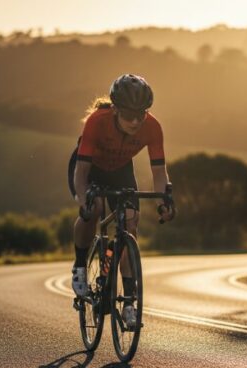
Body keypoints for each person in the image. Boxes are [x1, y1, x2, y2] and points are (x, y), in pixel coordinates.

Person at [67, 73, 175, 328]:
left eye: (142, 114)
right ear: (115, 109)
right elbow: (81, 173)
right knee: (93, 210)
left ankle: (129, 303)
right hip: (89, 168)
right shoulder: (97, 122)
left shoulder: (153, 127)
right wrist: (83, 202)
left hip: (120, 171)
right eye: (129, 115)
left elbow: (159, 172)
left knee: (131, 223)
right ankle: (80, 266)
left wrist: (164, 201)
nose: (136, 121)